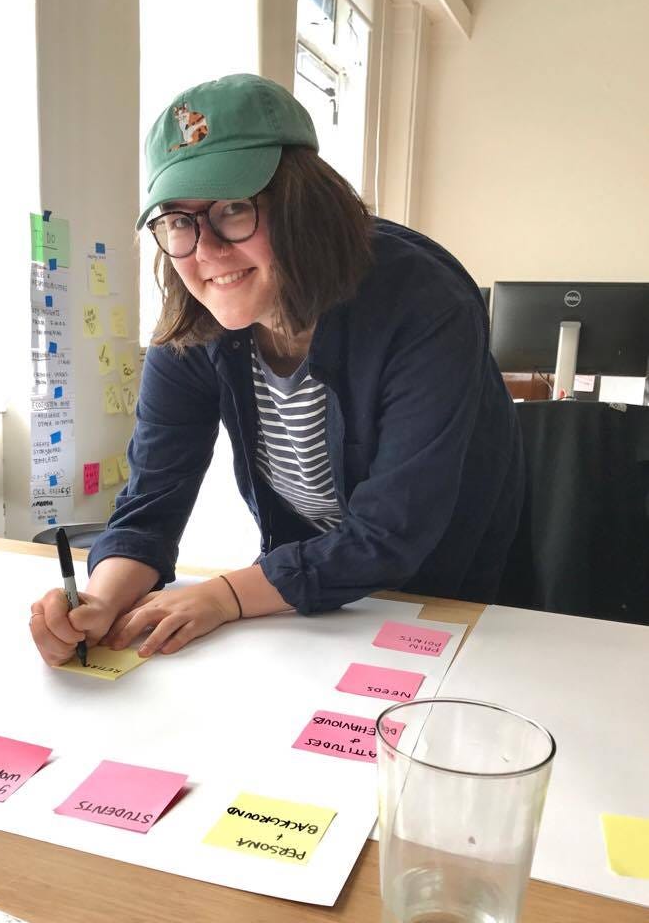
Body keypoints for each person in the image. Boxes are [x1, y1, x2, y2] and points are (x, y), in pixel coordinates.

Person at [30, 73, 523, 668]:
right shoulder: (193, 323)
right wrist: (100, 599)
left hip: (449, 587)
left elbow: (394, 531)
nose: (206, 250)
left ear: (305, 205)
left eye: (234, 209)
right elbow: (151, 501)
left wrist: (226, 595)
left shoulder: (423, 304)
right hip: (307, 589)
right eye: (178, 220)